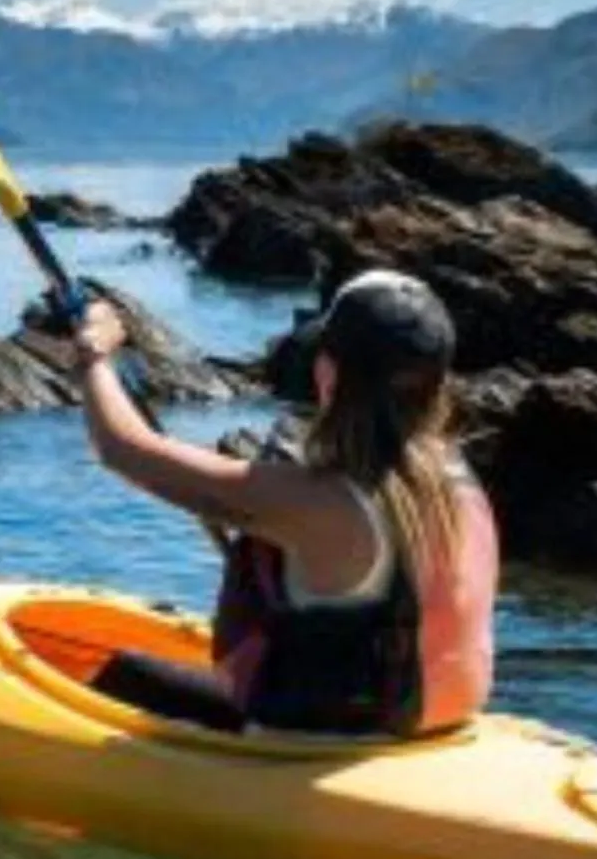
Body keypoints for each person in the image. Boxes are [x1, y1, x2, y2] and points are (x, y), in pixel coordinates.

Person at [70, 270, 497, 737]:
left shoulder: (315, 502)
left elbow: (122, 449)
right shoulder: (460, 478)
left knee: (126, 674)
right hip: (438, 724)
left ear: (328, 372)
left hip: (332, 743)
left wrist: (95, 354)